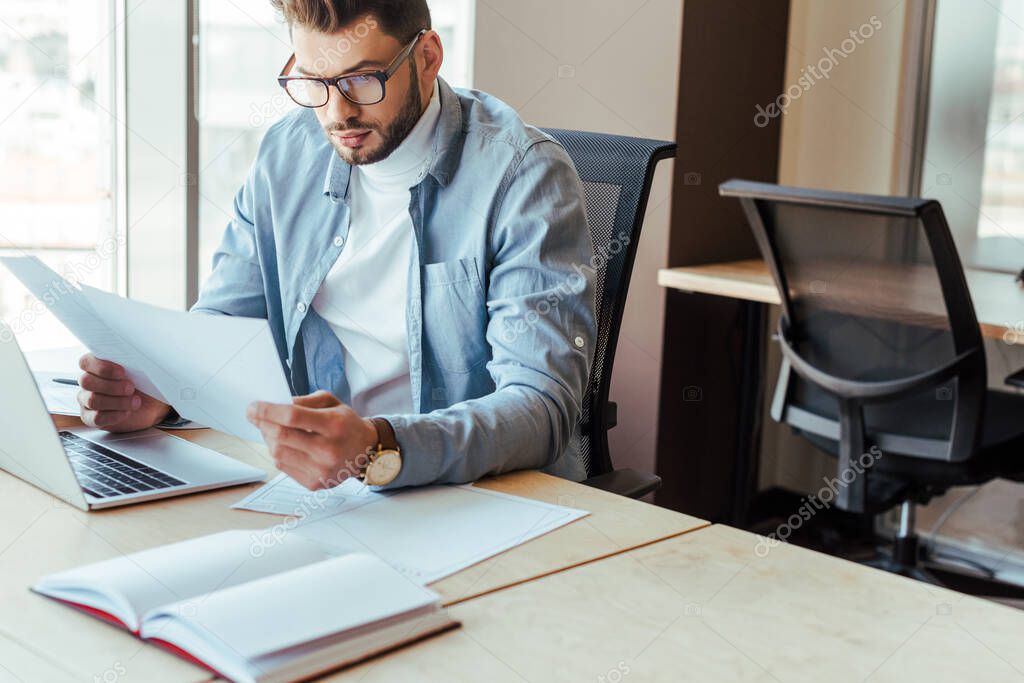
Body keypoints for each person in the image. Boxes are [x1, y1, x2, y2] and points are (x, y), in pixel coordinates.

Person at [76, 0, 596, 491]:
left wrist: (379, 447)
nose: (337, 112)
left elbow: (540, 405)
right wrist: (165, 393)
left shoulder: (524, 177)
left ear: (428, 57)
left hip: (481, 498)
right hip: (324, 490)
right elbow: (225, 327)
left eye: (362, 78)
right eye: (314, 80)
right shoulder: (286, 153)